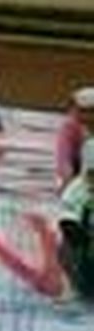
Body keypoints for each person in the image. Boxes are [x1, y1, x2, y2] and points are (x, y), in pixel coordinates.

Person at [58, 141, 94, 302]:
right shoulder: (77, 190)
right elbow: (67, 215)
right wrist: (73, 228)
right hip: (85, 249)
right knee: (66, 249)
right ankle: (73, 286)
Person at [57, 87, 94, 189]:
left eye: (90, 111)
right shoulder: (69, 129)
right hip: (78, 180)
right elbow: (64, 161)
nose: (87, 116)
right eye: (81, 111)